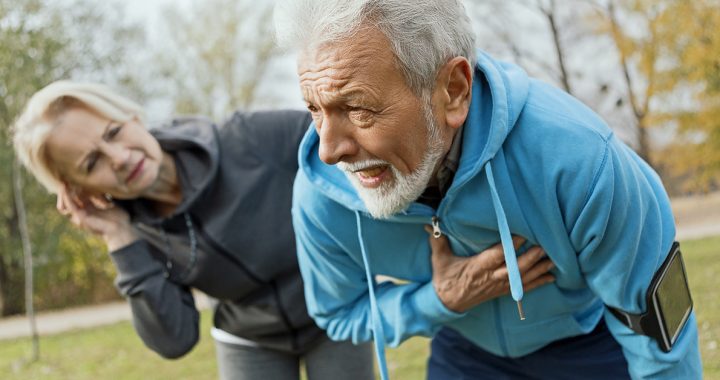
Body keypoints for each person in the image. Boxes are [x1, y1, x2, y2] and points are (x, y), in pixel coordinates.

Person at [274, 1, 703, 379]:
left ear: (453, 90)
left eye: (358, 108)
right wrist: (439, 300)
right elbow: (339, 313)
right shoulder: (320, 194)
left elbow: (659, 330)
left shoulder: (581, 159)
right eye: (315, 109)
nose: (329, 151)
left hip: (590, 347)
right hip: (465, 355)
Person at [12, 81, 377, 380]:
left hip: (334, 313)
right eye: (92, 163)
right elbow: (175, 340)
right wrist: (120, 238)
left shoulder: (250, 138)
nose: (120, 158)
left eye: (114, 132)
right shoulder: (137, 232)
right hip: (247, 340)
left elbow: (352, 149)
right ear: (79, 190)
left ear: (134, 117)